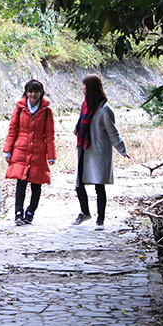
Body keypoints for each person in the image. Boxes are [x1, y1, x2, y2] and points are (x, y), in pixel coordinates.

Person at [71, 74, 130, 230]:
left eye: (84, 86)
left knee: (99, 186)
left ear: (91, 88)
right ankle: (85, 212)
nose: (82, 88)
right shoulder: (86, 105)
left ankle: (100, 220)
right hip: (84, 150)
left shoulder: (104, 109)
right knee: (78, 183)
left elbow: (113, 132)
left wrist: (122, 149)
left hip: (98, 152)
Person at [3, 79, 56, 226]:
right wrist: (8, 150)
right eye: (30, 91)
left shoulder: (46, 111)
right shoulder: (20, 108)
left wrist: (51, 155)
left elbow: (50, 134)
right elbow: (12, 129)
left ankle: (30, 213)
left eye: (36, 91)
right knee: (21, 182)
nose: (33, 94)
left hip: (39, 151)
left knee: (36, 184)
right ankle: (18, 214)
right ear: (26, 92)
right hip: (21, 150)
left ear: (41, 93)